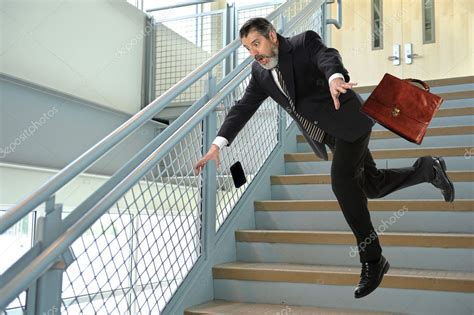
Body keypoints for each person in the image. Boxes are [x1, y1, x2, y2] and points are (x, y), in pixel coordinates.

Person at [193, 17, 455, 299]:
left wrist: (335, 77)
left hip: (349, 121)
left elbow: (327, 57)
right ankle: (428, 169)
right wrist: (218, 144)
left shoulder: (303, 42)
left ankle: (373, 260)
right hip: (328, 135)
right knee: (372, 185)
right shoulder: (260, 73)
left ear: (272, 36)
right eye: (247, 48)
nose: (253, 53)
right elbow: (243, 107)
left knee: (342, 182)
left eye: (256, 44)